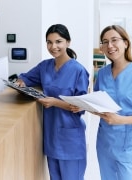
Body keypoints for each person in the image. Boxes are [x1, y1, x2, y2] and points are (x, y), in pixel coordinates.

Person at [15, 24, 89, 180]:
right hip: (51, 137)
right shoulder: (45, 66)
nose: (53, 46)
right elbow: (25, 77)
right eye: (49, 42)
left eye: (58, 41)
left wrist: (55, 102)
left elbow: (82, 106)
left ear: (68, 42)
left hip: (71, 140)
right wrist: (20, 82)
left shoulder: (78, 71)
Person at [94, 25, 132, 180]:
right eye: (105, 42)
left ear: (125, 43)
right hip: (105, 142)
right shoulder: (103, 73)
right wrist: (84, 105)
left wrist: (121, 120)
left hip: (128, 144)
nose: (109, 46)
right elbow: (98, 102)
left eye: (114, 40)